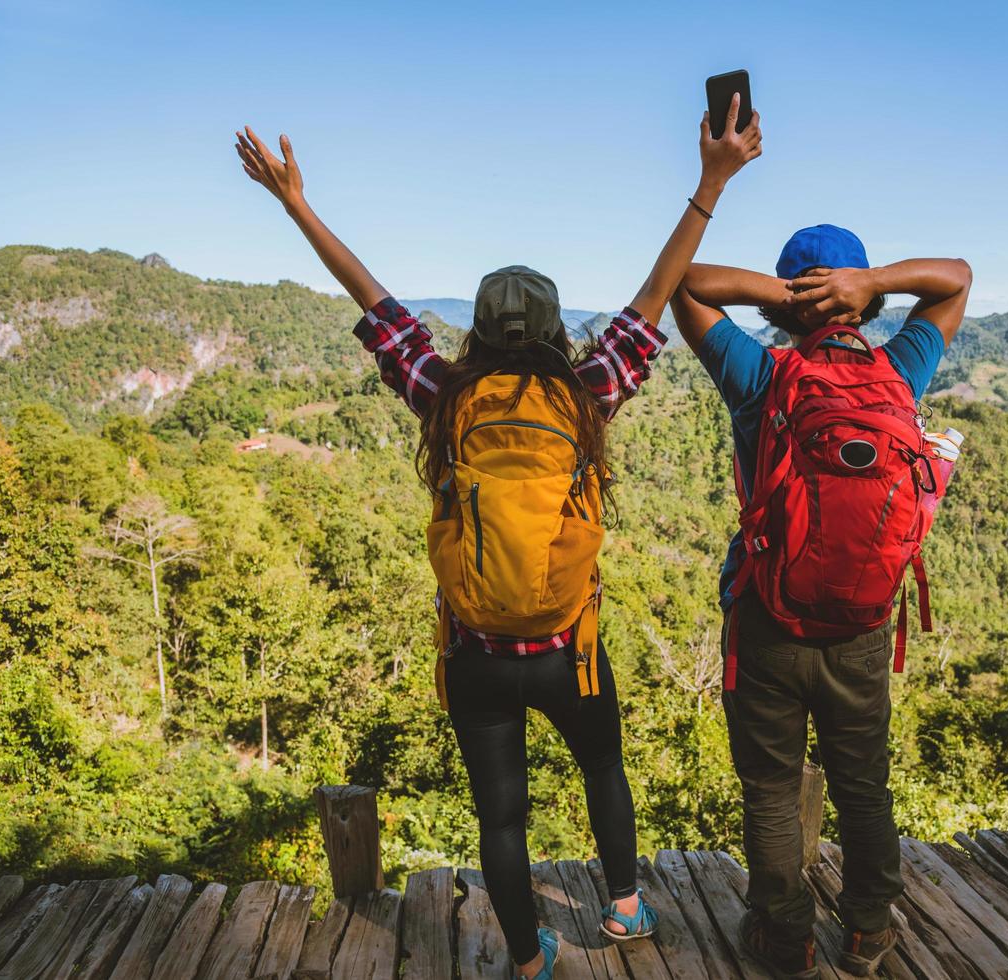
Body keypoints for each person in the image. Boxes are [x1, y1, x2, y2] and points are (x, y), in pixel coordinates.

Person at [234, 93, 762, 980]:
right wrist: (712, 180)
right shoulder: (587, 393)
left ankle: (526, 957)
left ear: (476, 330)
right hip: (571, 648)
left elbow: (375, 302)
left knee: (502, 817)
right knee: (604, 771)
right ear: (556, 331)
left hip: (476, 651)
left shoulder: (445, 398)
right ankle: (627, 912)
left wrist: (296, 205)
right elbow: (655, 295)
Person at [671, 227, 971, 978]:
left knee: (772, 791)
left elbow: (682, 280)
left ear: (788, 304)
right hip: (862, 626)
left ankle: (786, 938)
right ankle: (869, 931)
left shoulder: (762, 373)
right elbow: (957, 279)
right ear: (860, 301)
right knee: (863, 783)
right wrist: (872, 281)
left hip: (767, 621)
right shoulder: (899, 370)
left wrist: (788, 301)